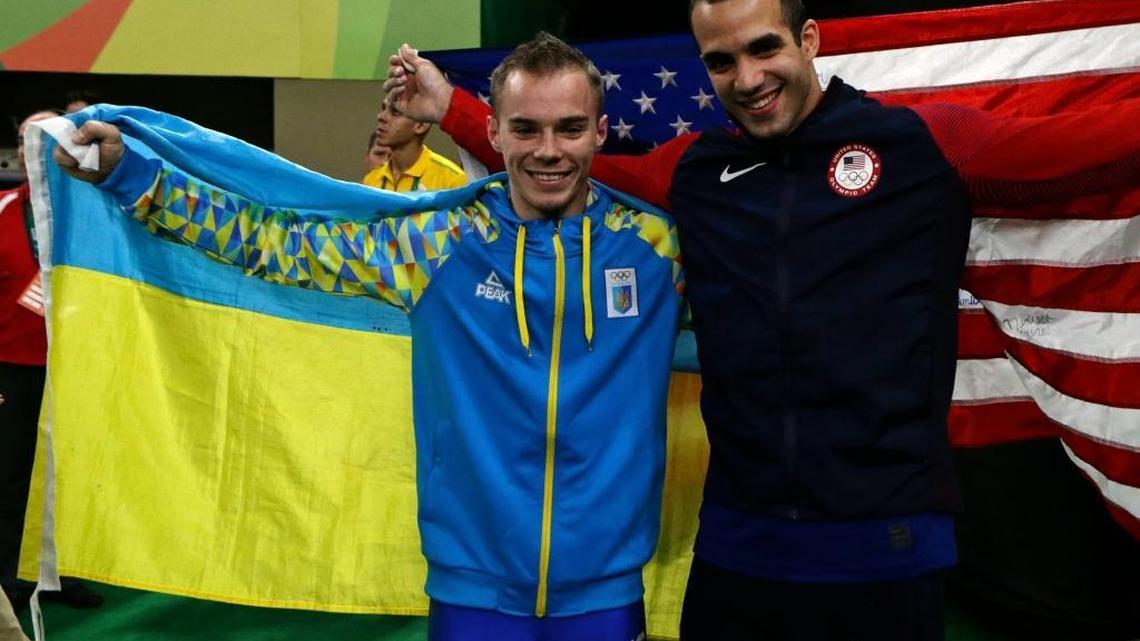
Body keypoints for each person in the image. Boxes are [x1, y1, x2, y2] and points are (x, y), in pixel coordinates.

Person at [385, 0, 1140, 638]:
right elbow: (568, 162)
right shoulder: (695, 172)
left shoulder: (921, 143)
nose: (746, 78)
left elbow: (1080, 152)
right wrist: (453, 108)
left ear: (808, 41)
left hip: (888, 545)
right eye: (721, 61)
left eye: (764, 47)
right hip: (740, 550)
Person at [54, 33, 684, 641]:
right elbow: (276, 243)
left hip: (607, 589)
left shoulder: (660, 248)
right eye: (525, 128)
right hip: (473, 590)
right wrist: (137, 178)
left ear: (600, 133)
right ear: (494, 133)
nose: (549, 150)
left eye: (570, 128)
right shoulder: (437, 242)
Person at [1, 111, 103, 615]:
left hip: (79, 365)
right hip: (12, 369)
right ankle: (12, 579)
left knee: (73, 473)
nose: (32, 149)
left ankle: (65, 574)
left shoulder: (95, 213)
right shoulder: (0, 210)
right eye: (24, 140)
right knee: (13, 474)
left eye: (45, 139)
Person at [361, 97, 466, 192]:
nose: (381, 116)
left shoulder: (452, 181)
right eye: (383, 108)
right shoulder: (371, 181)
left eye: (395, 111)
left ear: (421, 125)